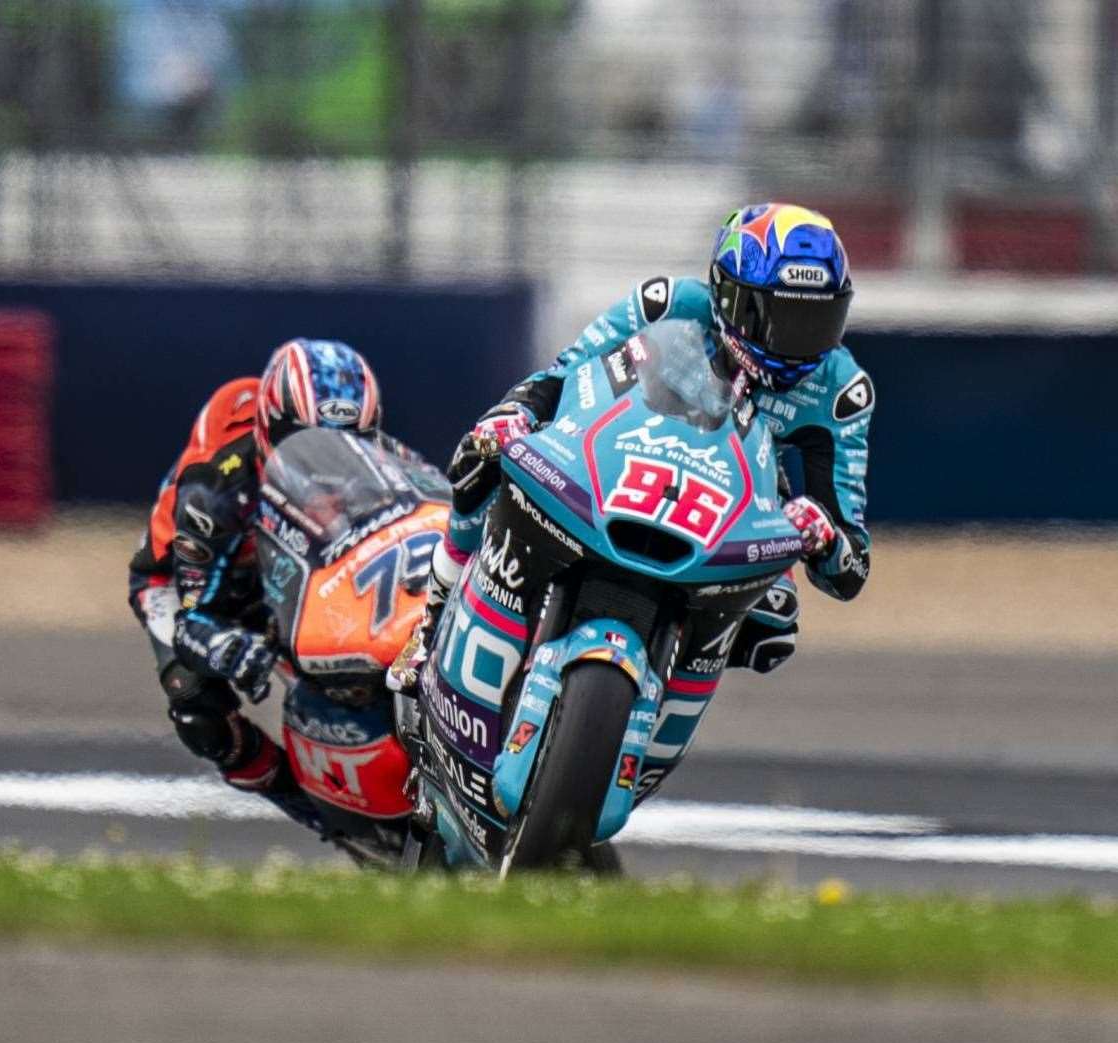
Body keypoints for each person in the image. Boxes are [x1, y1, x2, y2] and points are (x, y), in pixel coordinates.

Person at [393, 203, 872, 791]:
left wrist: (819, 532)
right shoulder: (665, 306)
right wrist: (515, 415)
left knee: (776, 619)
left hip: (732, 518)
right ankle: (432, 617)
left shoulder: (841, 389)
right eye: (780, 319)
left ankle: (650, 713)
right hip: (622, 468)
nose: (801, 347)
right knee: (482, 455)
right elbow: (562, 376)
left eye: (819, 324)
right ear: (728, 298)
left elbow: (851, 563)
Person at [129, 338, 423, 831]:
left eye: (353, 441)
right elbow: (194, 619)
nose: (329, 462)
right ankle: (321, 819)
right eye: (306, 441)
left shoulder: (389, 460)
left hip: (303, 558)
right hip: (192, 581)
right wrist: (227, 644)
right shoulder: (217, 487)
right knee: (198, 708)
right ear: (270, 427)